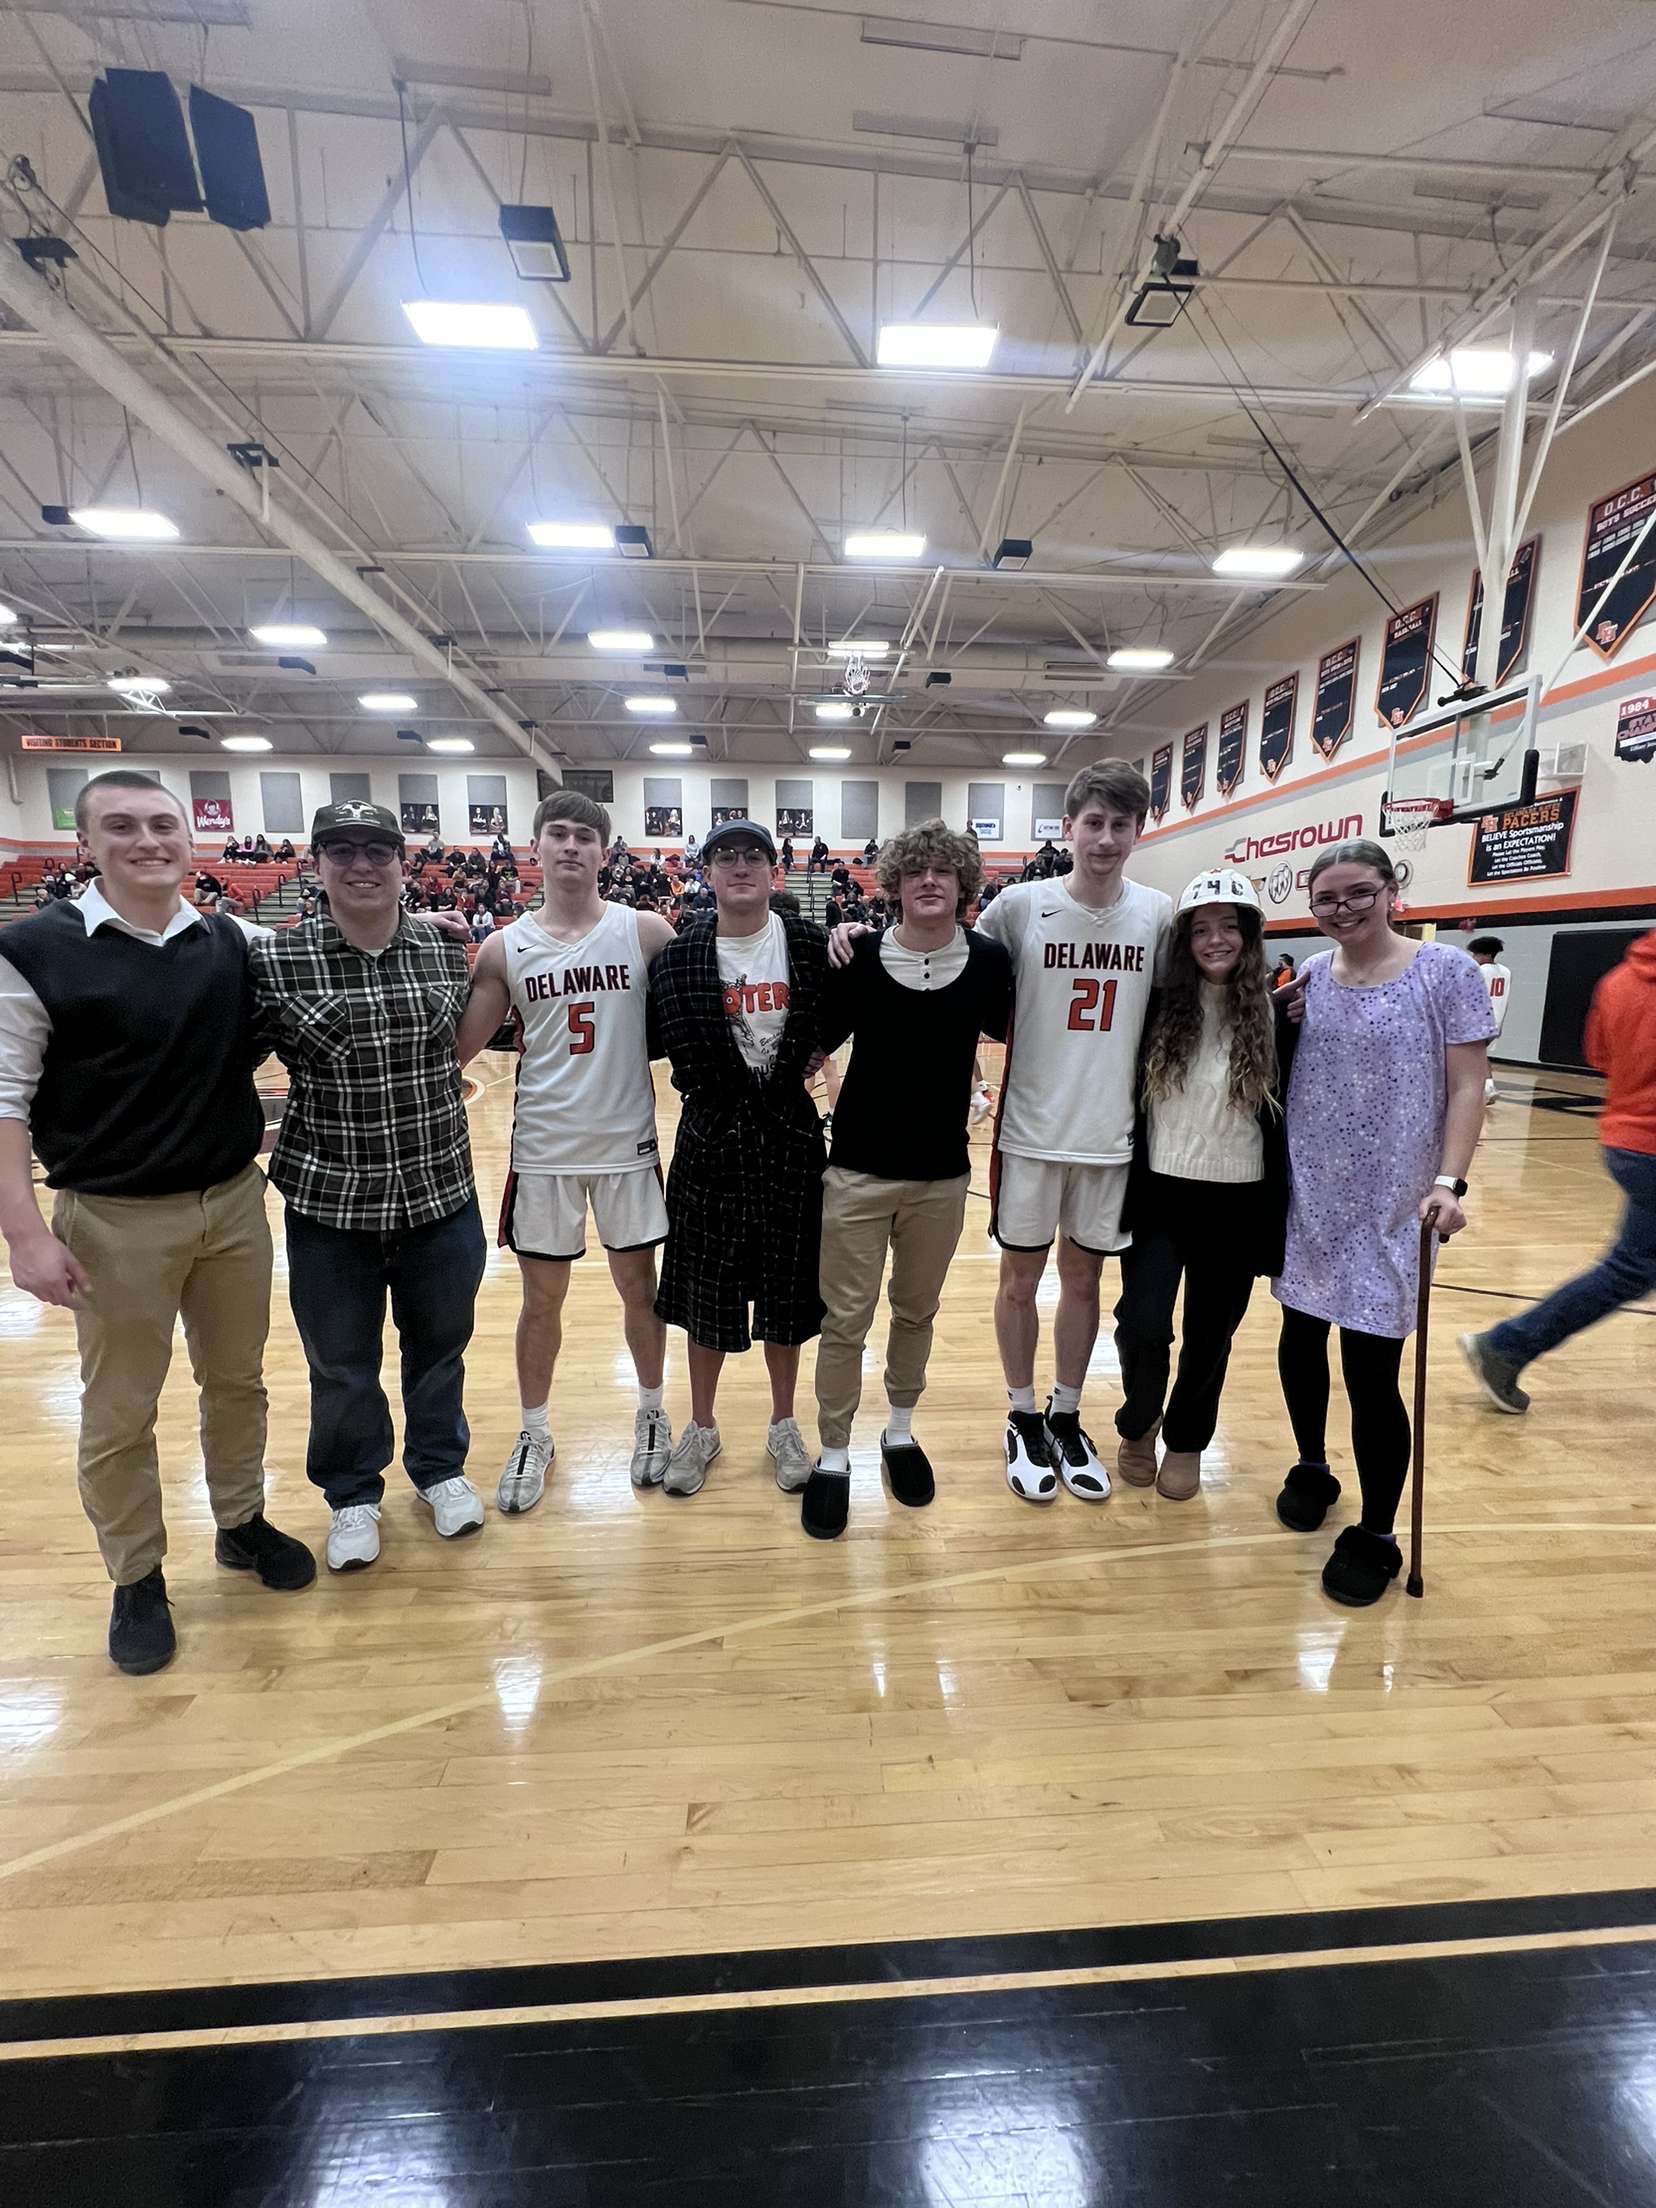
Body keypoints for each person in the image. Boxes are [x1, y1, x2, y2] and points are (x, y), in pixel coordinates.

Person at [0, 771, 312, 1675]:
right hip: (110, 1220)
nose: (148, 840)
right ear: (86, 845)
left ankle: (241, 1524)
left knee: (237, 1380)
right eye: (123, 826)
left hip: (231, 1203)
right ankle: (136, 1576)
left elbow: (318, 952)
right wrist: (24, 1233)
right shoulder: (31, 952)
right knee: (120, 1410)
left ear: (190, 839)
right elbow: (7, 1105)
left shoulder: (231, 938)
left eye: (163, 824)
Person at [250, 802, 486, 1573]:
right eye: (342, 851)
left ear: (401, 862)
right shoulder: (277, 964)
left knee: (440, 1351)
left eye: (377, 850)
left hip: (439, 1193)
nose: (361, 865)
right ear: (316, 864)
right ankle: (353, 1494)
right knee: (342, 1363)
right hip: (330, 1205)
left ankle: (440, 1472)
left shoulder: (448, 955)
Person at [1272, 839, 1491, 1606]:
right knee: (1299, 1339)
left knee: (1372, 1371)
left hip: (1394, 1204)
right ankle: (1311, 1463)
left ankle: (1379, 1530)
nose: (1343, 910)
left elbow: (1468, 1088)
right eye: (1326, 899)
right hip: (1311, 1196)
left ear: (1391, 889)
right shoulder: (1306, 980)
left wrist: (1449, 1182)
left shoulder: (1447, 973)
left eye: (1358, 893)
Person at [458, 791, 676, 1508]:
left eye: (587, 836)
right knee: (540, 1302)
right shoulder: (505, 946)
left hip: (627, 1146)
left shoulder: (644, 932)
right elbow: (459, 1049)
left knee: (638, 1290)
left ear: (605, 853)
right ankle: (535, 1430)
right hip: (544, 1149)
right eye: (560, 834)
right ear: (537, 847)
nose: (573, 846)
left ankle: (651, 1411)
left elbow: (704, 1001)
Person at [802, 821, 1013, 1539]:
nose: (929, 880)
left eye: (942, 871)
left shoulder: (988, 962)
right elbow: (812, 1043)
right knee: (844, 1321)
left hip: (940, 1178)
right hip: (857, 1171)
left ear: (962, 884)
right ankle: (833, 1453)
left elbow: (1041, 1031)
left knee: (916, 1313)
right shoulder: (858, 955)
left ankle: (898, 1430)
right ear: (894, 885)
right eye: (915, 870)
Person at [973, 762, 1173, 1504]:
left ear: (1138, 831)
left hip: (1109, 1135)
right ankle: (1021, 1414)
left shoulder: (1157, 912)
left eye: (1122, 825)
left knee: (1085, 1279)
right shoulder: (1020, 907)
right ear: (1069, 827)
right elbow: (956, 974)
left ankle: (1065, 1410)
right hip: (1028, 1131)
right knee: (1020, 1279)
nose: (1107, 838)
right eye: (1094, 822)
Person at [650, 818, 827, 1498]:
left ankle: (784, 1423)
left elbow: (837, 1014)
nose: (741, 866)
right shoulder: (680, 955)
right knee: (705, 1295)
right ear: (707, 872)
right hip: (712, 1138)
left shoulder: (809, 946)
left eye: (755, 855)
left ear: (774, 869)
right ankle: (701, 1425)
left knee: (787, 1291)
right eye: (726, 856)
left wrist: (813, 1052)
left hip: (788, 1136)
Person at [1113, 870, 1289, 1501]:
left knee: (1210, 1334)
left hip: (1236, 1201)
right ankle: (1139, 1423)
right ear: (1184, 940)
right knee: (1141, 1323)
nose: (1216, 940)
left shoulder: (1279, 1014)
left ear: (1249, 935)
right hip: (1161, 1195)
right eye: (1202, 929)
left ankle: (1186, 1441)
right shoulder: (1158, 1010)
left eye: (1229, 926)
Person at [1460, 929, 1656, 1413]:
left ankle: (1509, 1346)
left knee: (1631, 1268)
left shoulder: (1621, 978)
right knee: (1630, 1269)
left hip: (1627, 1141)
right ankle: (1509, 1345)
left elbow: (1599, 1056)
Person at [1467, 935, 1511, 1101]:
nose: (1473, 958)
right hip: (1496, 1020)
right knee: (1482, 1055)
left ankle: (1483, 1089)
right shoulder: (1506, 971)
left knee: (1471, 1057)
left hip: (1479, 1020)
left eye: (1475, 954)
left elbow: (1471, 997)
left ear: (1485, 954)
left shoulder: (1479, 971)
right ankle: (1489, 1087)